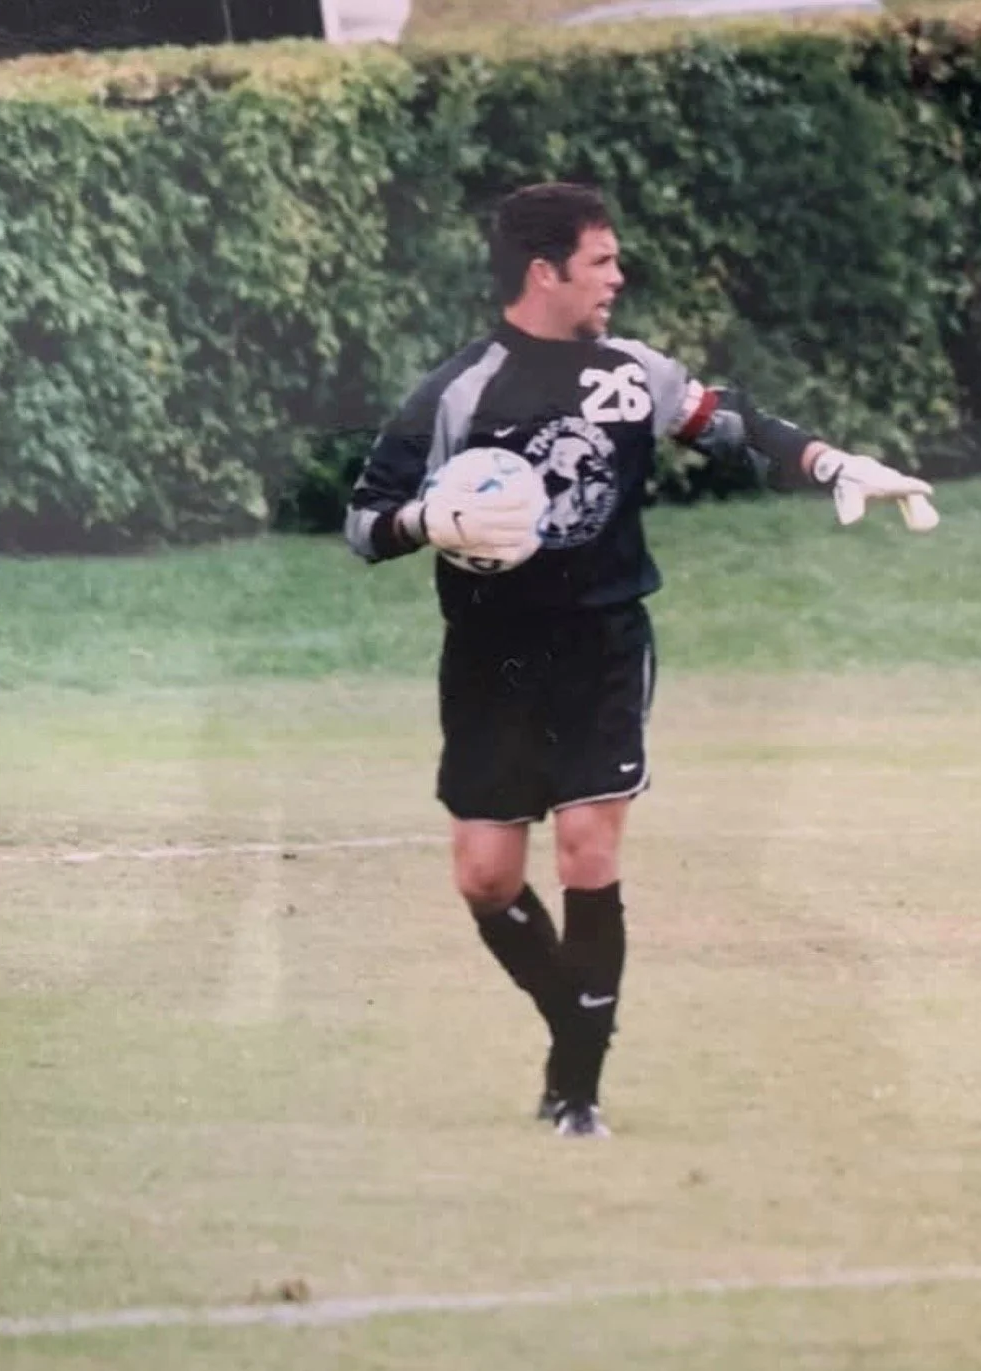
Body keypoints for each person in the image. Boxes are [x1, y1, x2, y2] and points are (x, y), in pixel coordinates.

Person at [344, 182, 933, 1138]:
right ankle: (575, 1021)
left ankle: (577, 1091)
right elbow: (365, 522)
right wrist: (425, 521)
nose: (618, 276)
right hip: (491, 659)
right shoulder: (455, 391)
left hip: (601, 646)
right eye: (602, 260)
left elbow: (734, 424)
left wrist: (833, 464)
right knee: (486, 878)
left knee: (587, 847)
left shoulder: (631, 371)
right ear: (545, 272)